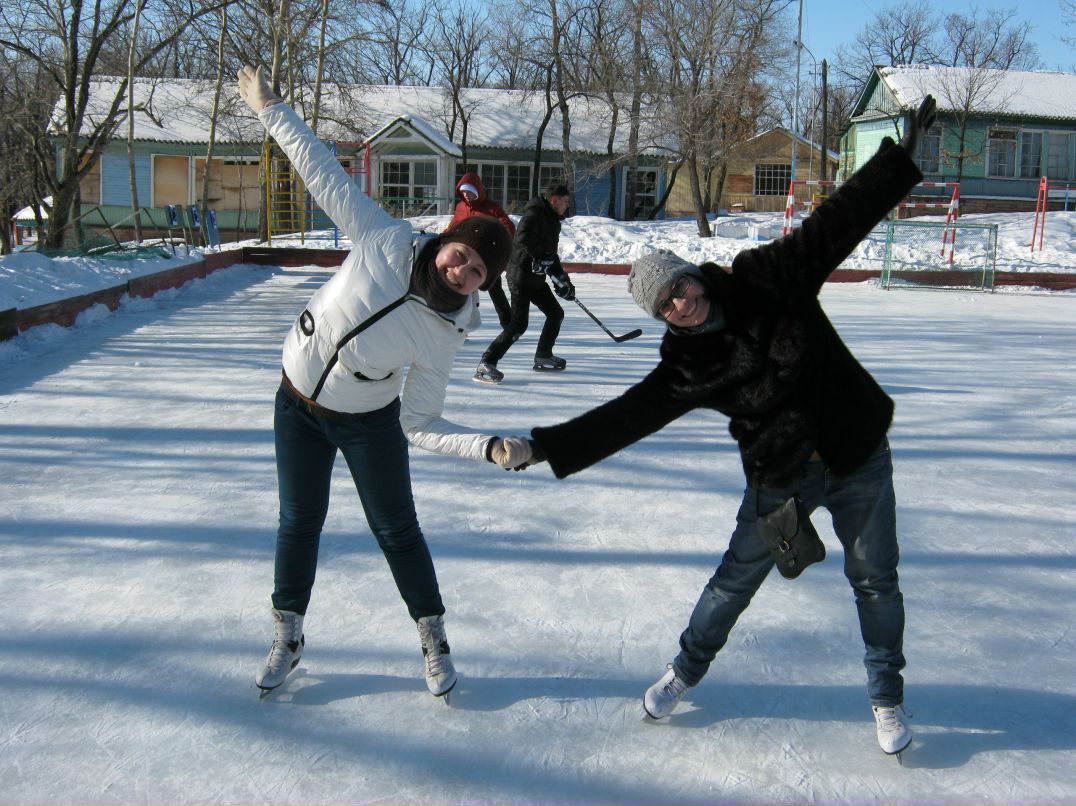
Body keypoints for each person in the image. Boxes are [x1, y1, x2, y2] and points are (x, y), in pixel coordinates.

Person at [505, 97, 937, 756]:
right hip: (781, 477)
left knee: (875, 579)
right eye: (665, 305)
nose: (680, 304)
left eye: (678, 288)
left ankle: (887, 697)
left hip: (857, 456)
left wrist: (898, 160)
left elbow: (833, 225)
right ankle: (684, 671)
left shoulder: (765, 281)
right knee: (733, 583)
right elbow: (623, 418)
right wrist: (545, 446)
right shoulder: (685, 366)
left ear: (689, 275)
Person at [237, 66, 535, 699]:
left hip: (367, 420)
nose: (464, 270)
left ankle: (433, 637)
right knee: (299, 521)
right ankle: (288, 635)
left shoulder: (446, 334)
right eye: (464, 254)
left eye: (479, 270)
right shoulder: (382, 238)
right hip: (296, 402)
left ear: (485, 282)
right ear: (449, 239)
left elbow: (420, 421)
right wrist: (272, 110)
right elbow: (321, 172)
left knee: (397, 529)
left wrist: (485, 444)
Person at [473, 182, 575, 384]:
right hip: (520, 277)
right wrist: (539, 257)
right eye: (565, 201)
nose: (567, 206)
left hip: (536, 279)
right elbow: (522, 239)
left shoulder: (553, 221)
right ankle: (487, 362)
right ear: (554, 200)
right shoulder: (534, 215)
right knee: (519, 324)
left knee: (556, 314)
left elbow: (550, 255)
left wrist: (563, 281)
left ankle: (543, 355)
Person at [448, 172, 515, 329]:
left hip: (486, 258)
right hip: (465, 257)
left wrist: (496, 241)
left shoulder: (491, 208)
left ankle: (509, 324)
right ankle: (460, 326)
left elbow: (508, 227)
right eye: (464, 192)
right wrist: (440, 240)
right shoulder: (461, 207)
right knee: (461, 290)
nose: (467, 195)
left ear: (478, 191)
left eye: (470, 192)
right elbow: (453, 227)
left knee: (495, 289)